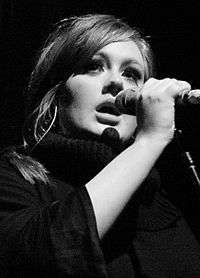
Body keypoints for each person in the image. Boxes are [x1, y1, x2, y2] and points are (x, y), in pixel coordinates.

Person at [1, 13, 200, 278]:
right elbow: (42, 258)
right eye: (93, 66)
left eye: (131, 74)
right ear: (57, 92)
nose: (117, 83)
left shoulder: (170, 195)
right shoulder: (14, 178)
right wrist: (149, 141)